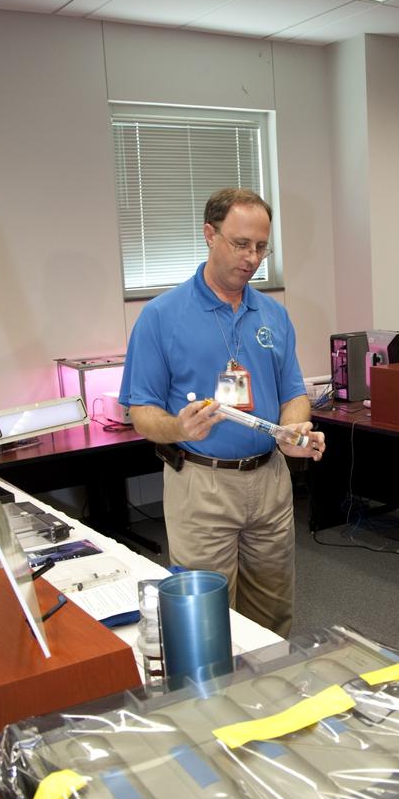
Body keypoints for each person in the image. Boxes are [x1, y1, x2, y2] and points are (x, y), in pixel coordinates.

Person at [119, 187, 324, 637]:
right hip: (202, 484)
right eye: (240, 243)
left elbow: (293, 391)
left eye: (261, 247)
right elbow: (141, 412)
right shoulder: (161, 317)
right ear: (209, 235)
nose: (251, 257)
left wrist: (293, 430)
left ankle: (269, 701)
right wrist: (176, 426)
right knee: (208, 620)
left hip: (270, 480)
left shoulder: (273, 314)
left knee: (272, 612)